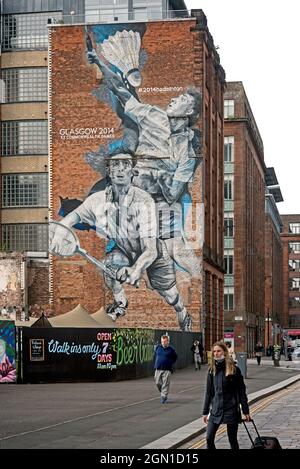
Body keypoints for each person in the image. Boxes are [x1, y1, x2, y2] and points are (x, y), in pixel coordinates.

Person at [50, 154, 192, 330]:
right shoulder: (97, 200)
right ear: (109, 171)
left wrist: (136, 269)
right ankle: (120, 302)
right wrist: (59, 233)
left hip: (152, 251)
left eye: (125, 164)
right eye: (115, 164)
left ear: (133, 171)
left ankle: (183, 313)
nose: (120, 169)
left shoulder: (143, 200)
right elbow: (75, 215)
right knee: (110, 264)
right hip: (124, 249)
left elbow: (151, 249)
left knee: (170, 295)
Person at [202, 341, 250, 450]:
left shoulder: (234, 370)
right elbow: (209, 393)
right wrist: (205, 412)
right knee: (209, 438)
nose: (216, 353)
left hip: (231, 409)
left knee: (232, 439)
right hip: (216, 409)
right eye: (214, 351)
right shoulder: (211, 370)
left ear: (224, 352)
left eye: (218, 351)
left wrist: (246, 411)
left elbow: (241, 392)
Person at [154, 335, 177, 403]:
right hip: (158, 368)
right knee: (157, 382)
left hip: (167, 369)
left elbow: (175, 357)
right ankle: (163, 392)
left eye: (164, 341)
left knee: (165, 383)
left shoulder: (171, 349)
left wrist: (170, 363)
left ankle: (164, 396)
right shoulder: (158, 347)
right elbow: (156, 353)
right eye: (162, 341)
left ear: (168, 342)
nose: (163, 343)